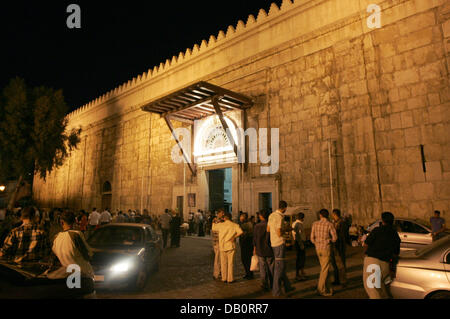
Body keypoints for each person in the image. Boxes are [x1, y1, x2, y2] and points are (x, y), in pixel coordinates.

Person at [363, 212, 401, 299]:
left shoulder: (377, 230)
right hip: (385, 263)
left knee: (372, 288)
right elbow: (396, 252)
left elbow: (366, 244)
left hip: (373, 262)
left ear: (382, 220)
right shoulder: (394, 233)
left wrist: (365, 255)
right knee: (379, 287)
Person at [267, 200, 294, 297]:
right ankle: (276, 291)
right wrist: (287, 229)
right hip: (279, 243)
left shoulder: (271, 215)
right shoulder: (279, 217)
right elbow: (279, 232)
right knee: (279, 268)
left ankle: (288, 286)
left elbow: (268, 229)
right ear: (285, 208)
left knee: (280, 266)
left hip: (273, 243)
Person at [310, 208, 337, 297]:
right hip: (326, 248)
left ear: (320, 215)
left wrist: (317, 243)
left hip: (318, 249)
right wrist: (328, 241)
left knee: (325, 268)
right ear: (327, 215)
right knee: (325, 269)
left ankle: (328, 288)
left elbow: (311, 238)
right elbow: (335, 238)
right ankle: (321, 289)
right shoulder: (330, 224)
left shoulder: (315, 224)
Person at [212, 212, 243, 284]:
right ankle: (230, 279)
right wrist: (234, 237)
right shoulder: (235, 225)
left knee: (223, 263)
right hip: (230, 245)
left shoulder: (220, 225)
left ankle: (224, 278)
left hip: (222, 246)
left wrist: (213, 222)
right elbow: (241, 232)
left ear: (224, 218)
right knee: (230, 263)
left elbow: (213, 229)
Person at [253, 209, 274, 291]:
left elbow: (254, 239)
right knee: (271, 267)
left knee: (262, 268)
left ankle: (264, 284)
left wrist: (254, 248)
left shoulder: (257, 226)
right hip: (269, 249)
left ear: (261, 216)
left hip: (260, 249)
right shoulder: (270, 225)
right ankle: (273, 283)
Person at [330, 209, 347, 287]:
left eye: (333, 214)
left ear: (334, 214)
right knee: (334, 264)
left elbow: (342, 236)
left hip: (339, 246)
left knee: (341, 265)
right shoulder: (334, 223)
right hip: (334, 246)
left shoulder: (342, 223)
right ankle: (337, 280)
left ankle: (343, 281)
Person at [292, 212, 307, 281]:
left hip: (297, 242)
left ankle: (300, 273)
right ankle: (299, 274)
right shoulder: (299, 225)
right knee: (301, 259)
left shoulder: (294, 223)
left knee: (299, 258)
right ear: (302, 218)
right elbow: (298, 236)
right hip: (300, 243)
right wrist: (301, 245)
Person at [239, 212, 254, 279]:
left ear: (244, 217)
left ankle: (249, 273)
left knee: (246, 259)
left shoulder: (247, 224)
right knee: (246, 259)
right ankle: (248, 273)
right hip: (245, 243)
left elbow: (248, 233)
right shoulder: (246, 224)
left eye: (241, 217)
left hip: (247, 243)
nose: (240, 218)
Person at [212, 208, 225, 280]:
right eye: (222, 213)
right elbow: (216, 231)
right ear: (219, 213)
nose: (223, 214)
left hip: (217, 241)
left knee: (220, 258)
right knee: (218, 258)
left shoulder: (218, 220)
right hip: (218, 241)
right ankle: (216, 273)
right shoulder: (217, 220)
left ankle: (219, 272)